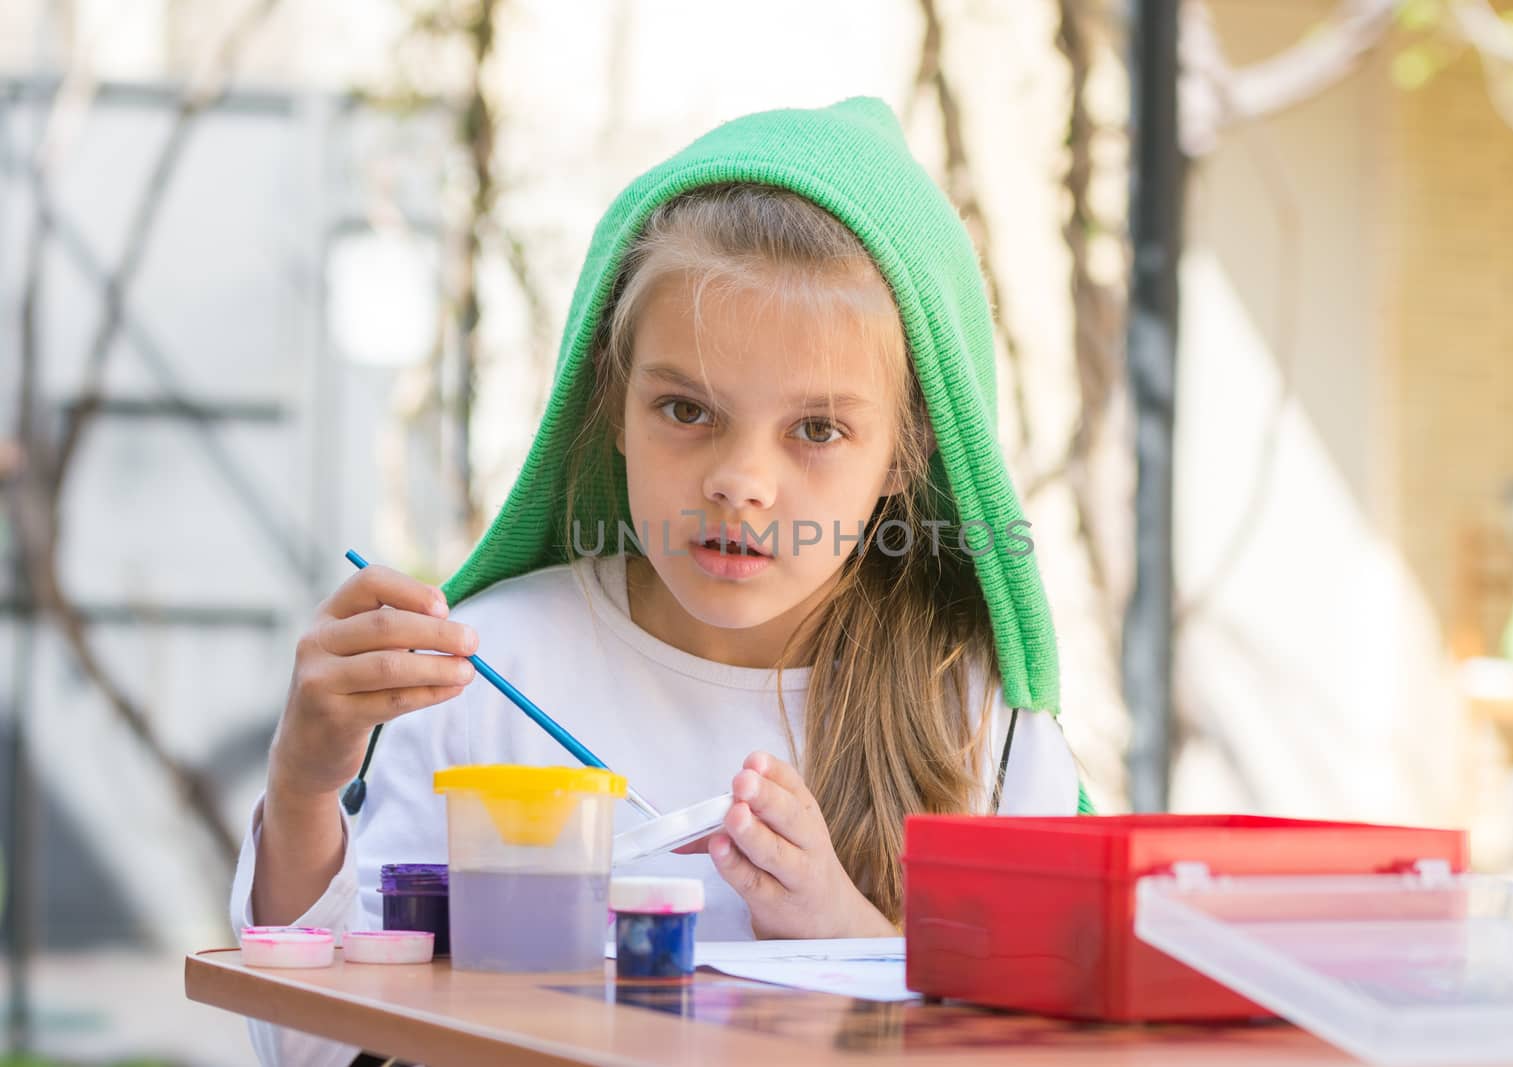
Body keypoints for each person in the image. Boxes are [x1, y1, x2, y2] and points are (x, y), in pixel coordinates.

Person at [231, 96, 1091, 1066]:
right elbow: (309, 1051)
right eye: (687, 408)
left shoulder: (977, 716)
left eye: (817, 428)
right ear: (612, 404)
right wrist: (303, 789)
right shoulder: (488, 665)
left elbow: (1044, 1042)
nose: (741, 481)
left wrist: (841, 938)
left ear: (905, 452)